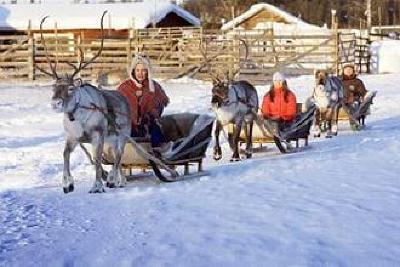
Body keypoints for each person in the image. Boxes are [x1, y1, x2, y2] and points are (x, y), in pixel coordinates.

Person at [117, 55, 169, 147]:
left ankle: (157, 153)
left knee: (156, 137)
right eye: (137, 70)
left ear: (148, 71)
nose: (140, 74)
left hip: (148, 126)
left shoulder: (153, 86)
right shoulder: (124, 87)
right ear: (133, 71)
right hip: (128, 126)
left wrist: (151, 116)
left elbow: (160, 104)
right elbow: (116, 107)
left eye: (143, 70)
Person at [341, 64, 368, 130]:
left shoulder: (357, 81)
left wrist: (356, 91)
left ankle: (354, 124)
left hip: (353, 99)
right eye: (346, 70)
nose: (348, 71)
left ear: (353, 71)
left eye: (350, 70)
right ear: (343, 71)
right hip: (342, 100)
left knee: (353, 105)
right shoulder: (339, 81)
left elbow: (363, 92)